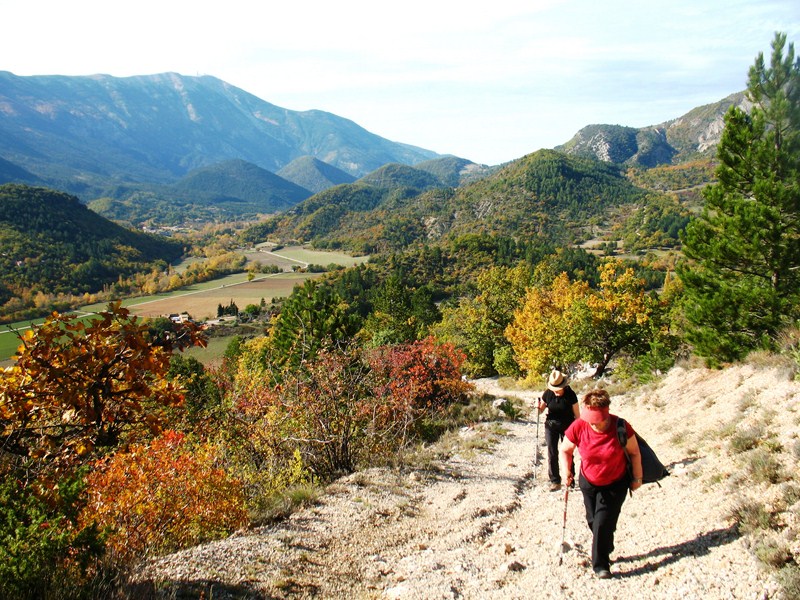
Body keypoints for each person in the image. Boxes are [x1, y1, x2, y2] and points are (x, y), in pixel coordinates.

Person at [560, 388, 643, 579]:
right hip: (589, 481)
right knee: (593, 520)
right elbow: (565, 450)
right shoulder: (579, 426)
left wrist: (637, 478)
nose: (592, 423)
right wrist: (567, 471)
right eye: (589, 417)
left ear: (606, 414)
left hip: (615, 483)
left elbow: (634, 453)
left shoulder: (621, 426)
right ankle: (605, 543)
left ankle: (600, 565)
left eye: (596, 418)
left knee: (601, 523)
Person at [537, 369, 579, 492]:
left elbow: (577, 415)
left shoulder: (570, 395)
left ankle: (569, 477)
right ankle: (555, 481)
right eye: (554, 389)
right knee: (552, 452)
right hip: (551, 426)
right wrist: (538, 406)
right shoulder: (548, 393)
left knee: (567, 452)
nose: (555, 392)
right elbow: (541, 410)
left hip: (568, 427)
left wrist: (578, 431)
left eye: (558, 389)